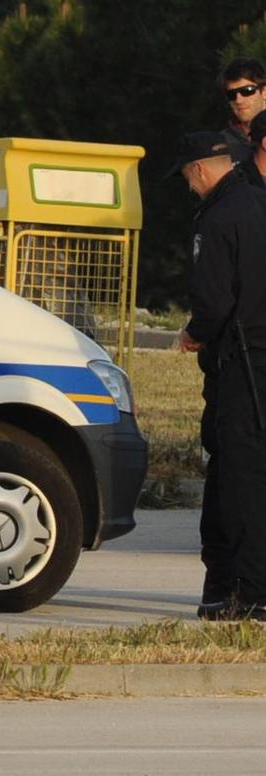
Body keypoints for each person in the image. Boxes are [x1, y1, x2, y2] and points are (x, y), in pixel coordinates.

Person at [171, 131, 266, 620]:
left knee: (240, 478)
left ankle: (249, 595)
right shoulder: (258, 203)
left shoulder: (216, 217)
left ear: (201, 169)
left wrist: (193, 334)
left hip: (242, 364)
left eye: (187, 177)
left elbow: (213, 301)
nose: (188, 186)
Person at [219, 59, 266, 161]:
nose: (238, 100)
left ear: (264, 91)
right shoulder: (221, 146)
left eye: (247, 91)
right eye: (231, 94)